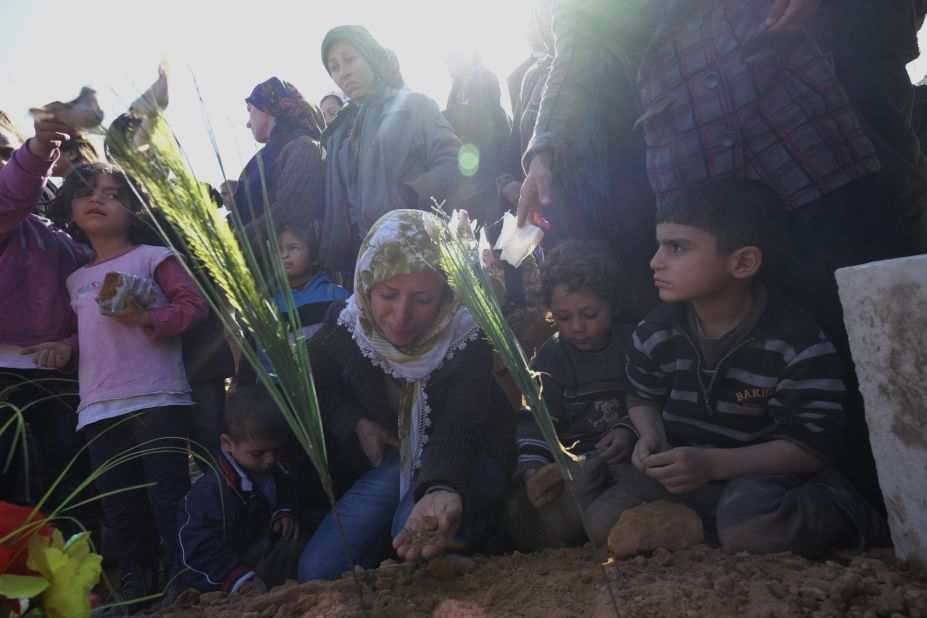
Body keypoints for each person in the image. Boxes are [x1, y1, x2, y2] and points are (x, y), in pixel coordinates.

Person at [583, 178, 888, 558]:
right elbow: (642, 395)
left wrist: (712, 464)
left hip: (764, 475)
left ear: (742, 262)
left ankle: (840, 506)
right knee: (600, 523)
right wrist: (652, 435)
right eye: (658, 244)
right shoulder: (655, 331)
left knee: (754, 528)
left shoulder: (796, 342)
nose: (654, 261)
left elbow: (811, 446)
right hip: (688, 471)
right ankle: (717, 531)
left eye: (677, 247)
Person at [24, 162, 208, 613]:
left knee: (168, 492)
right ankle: (137, 580)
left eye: (111, 193)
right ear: (69, 205)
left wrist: (149, 318)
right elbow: (86, 332)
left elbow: (194, 305)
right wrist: (65, 349)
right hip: (98, 407)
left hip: (158, 396)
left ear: (133, 207)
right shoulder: (74, 279)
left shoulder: (154, 257)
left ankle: (185, 574)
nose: (97, 200)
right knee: (120, 502)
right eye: (87, 192)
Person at [297, 209, 515, 581]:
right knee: (317, 570)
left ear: (447, 292)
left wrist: (443, 487)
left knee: (415, 541)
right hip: (399, 459)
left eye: (424, 299)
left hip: (472, 454)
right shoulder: (347, 326)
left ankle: (487, 527)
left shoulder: (467, 336)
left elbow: (461, 427)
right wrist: (354, 420)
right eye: (388, 294)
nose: (401, 317)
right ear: (365, 285)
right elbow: (307, 381)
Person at [507, 240, 638, 550]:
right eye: (563, 318)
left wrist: (628, 430)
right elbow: (536, 424)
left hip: (631, 455)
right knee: (567, 517)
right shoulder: (550, 359)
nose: (577, 327)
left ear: (613, 305)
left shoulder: (635, 343)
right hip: (577, 463)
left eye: (589, 314)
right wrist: (533, 471)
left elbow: (652, 401)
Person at [0, 115, 96, 539]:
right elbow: (11, 193)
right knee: (19, 491)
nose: (4, 165)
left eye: (7, 152)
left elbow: (90, 302)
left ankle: (82, 582)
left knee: (72, 482)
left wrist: (71, 345)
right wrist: (39, 145)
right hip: (8, 381)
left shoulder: (53, 233)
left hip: (61, 375)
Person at [317, 25, 461, 277]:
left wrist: (409, 197)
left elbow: (453, 161)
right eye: (334, 67)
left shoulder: (413, 106)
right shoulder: (336, 133)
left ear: (370, 56)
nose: (344, 72)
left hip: (413, 249)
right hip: (360, 260)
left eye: (350, 59)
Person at [177, 385, 303, 595]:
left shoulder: (274, 466)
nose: (270, 459)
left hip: (261, 551)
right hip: (222, 579)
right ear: (227, 443)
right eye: (258, 453)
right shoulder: (211, 491)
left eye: (276, 450)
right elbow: (197, 547)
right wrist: (237, 577)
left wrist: (285, 511)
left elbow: (287, 491)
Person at [236, 222, 349, 386]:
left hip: (338, 392)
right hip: (295, 399)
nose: (284, 255)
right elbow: (268, 363)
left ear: (314, 256)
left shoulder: (337, 296)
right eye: (278, 250)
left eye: (293, 248)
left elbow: (350, 351)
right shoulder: (270, 307)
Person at [232, 77, 325, 242]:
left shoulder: (304, 148)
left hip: (281, 262)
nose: (247, 123)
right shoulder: (268, 156)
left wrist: (234, 241)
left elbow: (288, 212)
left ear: (266, 106)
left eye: (249, 109)